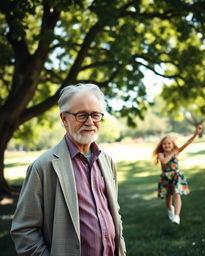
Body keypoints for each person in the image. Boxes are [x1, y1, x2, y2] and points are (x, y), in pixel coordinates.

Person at [11, 83, 126, 256]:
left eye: (95, 115)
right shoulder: (43, 166)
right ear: (64, 119)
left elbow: (115, 214)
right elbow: (24, 231)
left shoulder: (107, 161)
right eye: (81, 115)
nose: (90, 122)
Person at [152, 125, 203, 225]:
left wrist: (196, 133)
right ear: (162, 146)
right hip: (166, 177)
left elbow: (187, 143)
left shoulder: (177, 151)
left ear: (172, 144)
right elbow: (165, 161)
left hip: (176, 176)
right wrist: (172, 153)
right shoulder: (161, 154)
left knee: (177, 195)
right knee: (168, 199)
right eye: (164, 144)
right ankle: (170, 209)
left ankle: (176, 216)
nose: (167, 145)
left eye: (169, 143)